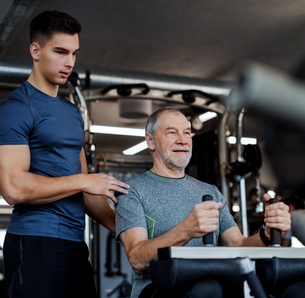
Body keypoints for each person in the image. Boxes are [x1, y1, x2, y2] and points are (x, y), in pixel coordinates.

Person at [0, 10, 129, 298]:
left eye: (74, 53)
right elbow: (13, 188)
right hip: (33, 241)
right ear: (35, 50)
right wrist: (83, 181)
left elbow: (87, 188)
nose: (69, 62)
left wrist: (129, 232)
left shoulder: (71, 112)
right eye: (60, 51)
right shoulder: (16, 108)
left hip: (74, 243)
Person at [115, 107, 294, 298]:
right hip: (158, 287)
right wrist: (186, 230)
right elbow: (137, 258)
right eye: (172, 133)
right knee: (207, 289)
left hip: (211, 283)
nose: (182, 140)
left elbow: (237, 245)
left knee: (294, 288)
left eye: (187, 133)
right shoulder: (131, 190)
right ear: (150, 141)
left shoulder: (210, 192)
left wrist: (266, 234)